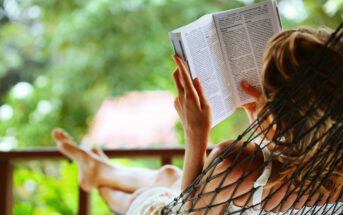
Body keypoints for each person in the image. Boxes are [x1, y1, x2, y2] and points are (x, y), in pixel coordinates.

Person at [53, 28, 343, 214]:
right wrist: (264, 123)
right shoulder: (329, 171)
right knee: (167, 174)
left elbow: (186, 209)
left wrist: (195, 133)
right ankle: (95, 170)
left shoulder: (235, 165)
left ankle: (99, 182)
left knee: (145, 196)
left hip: (184, 208)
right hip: (224, 195)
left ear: (277, 120)